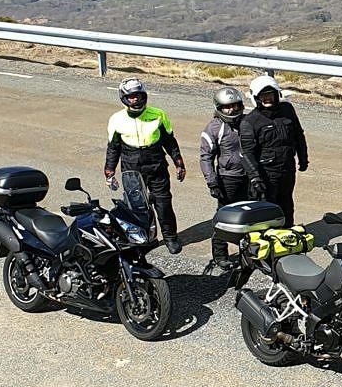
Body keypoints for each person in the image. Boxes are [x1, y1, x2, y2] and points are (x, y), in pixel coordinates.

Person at [103, 77, 186, 253]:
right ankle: (141, 238)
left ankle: (170, 237)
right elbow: (113, 147)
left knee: (163, 203)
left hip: (156, 163)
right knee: (136, 206)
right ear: (124, 98)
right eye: (131, 96)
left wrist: (179, 163)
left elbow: (170, 142)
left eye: (138, 95)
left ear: (144, 96)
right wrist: (109, 171)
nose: (135, 99)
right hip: (131, 166)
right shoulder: (116, 119)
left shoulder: (158, 114)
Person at [237, 74, 308, 225]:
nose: (267, 98)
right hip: (266, 174)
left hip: (287, 169)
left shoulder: (287, 109)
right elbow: (247, 153)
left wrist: (303, 157)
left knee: (287, 204)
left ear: (277, 94)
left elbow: (298, 134)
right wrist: (255, 177)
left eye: (270, 94)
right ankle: (268, 236)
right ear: (256, 97)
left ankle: (288, 233)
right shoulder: (250, 122)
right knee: (266, 209)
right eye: (263, 95)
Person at [199, 85, 250, 270]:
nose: (232, 110)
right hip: (228, 179)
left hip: (250, 177)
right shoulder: (214, 128)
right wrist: (212, 182)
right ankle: (220, 255)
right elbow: (206, 157)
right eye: (227, 107)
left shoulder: (248, 122)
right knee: (224, 217)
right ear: (219, 108)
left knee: (249, 215)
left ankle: (248, 253)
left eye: (236, 105)